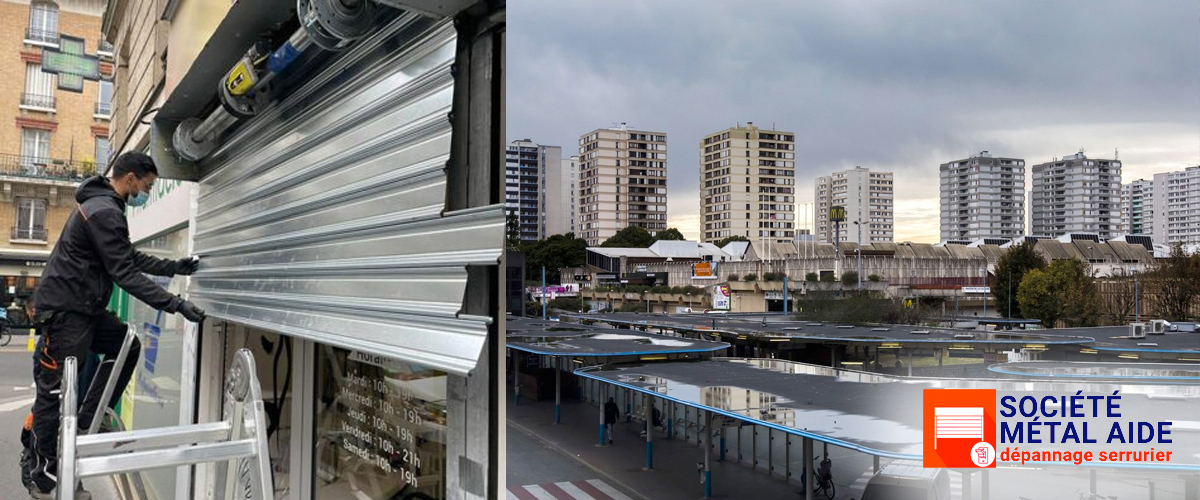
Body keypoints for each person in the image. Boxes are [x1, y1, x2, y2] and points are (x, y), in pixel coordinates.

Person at [22, 152, 206, 499]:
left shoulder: (106, 206)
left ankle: (91, 415)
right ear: (131, 179)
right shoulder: (104, 210)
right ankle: (44, 472)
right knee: (56, 392)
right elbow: (124, 272)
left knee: (126, 343)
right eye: (147, 186)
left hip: (84, 308)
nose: (146, 193)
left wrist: (176, 268)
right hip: (65, 312)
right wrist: (176, 304)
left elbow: (127, 257)